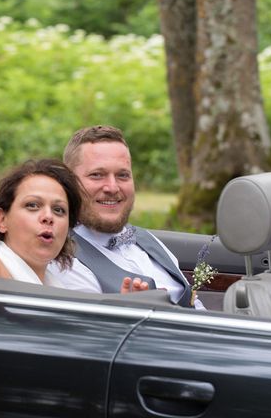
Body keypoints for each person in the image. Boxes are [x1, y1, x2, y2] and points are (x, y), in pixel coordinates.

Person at [0, 102, 149, 293]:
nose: (48, 217)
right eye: (32, 205)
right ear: (2, 219)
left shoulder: (57, 284)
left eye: (59, 210)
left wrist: (123, 310)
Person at [48, 125, 202, 309]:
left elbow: (196, 306)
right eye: (97, 175)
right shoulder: (63, 259)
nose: (112, 188)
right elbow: (95, 332)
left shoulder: (149, 240)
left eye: (123, 175)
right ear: (69, 183)